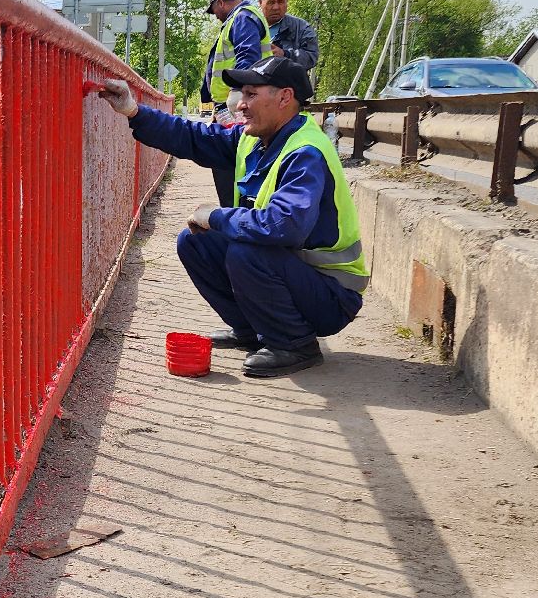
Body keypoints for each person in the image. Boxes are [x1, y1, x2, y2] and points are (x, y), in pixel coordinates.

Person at [101, 56, 367, 377]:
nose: (240, 105)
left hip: (331, 296)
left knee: (245, 249)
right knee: (196, 241)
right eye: (242, 94)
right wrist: (133, 110)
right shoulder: (254, 139)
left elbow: (283, 228)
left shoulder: (305, 152)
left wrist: (217, 216)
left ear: (285, 97)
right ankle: (252, 330)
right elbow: (193, 137)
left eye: (251, 94)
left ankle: (294, 344)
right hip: (296, 275)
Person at [200, 0, 272, 204]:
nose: (215, 17)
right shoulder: (239, 19)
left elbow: (247, 55)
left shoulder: (242, 18)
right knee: (227, 157)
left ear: (220, 2)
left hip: (235, 107)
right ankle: (235, 211)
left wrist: (237, 92)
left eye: (214, 11)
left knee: (230, 160)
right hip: (228, 108)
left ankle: (236, 213)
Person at [258, 0, 319, 72]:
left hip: (288, 84)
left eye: (281, 2)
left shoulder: (301, 27)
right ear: (260, 3)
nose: (276, 7)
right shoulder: (248, 28)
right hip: (253, 83)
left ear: (287, 1)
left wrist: (285, 54)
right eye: (271, 2)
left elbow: (312, 57)